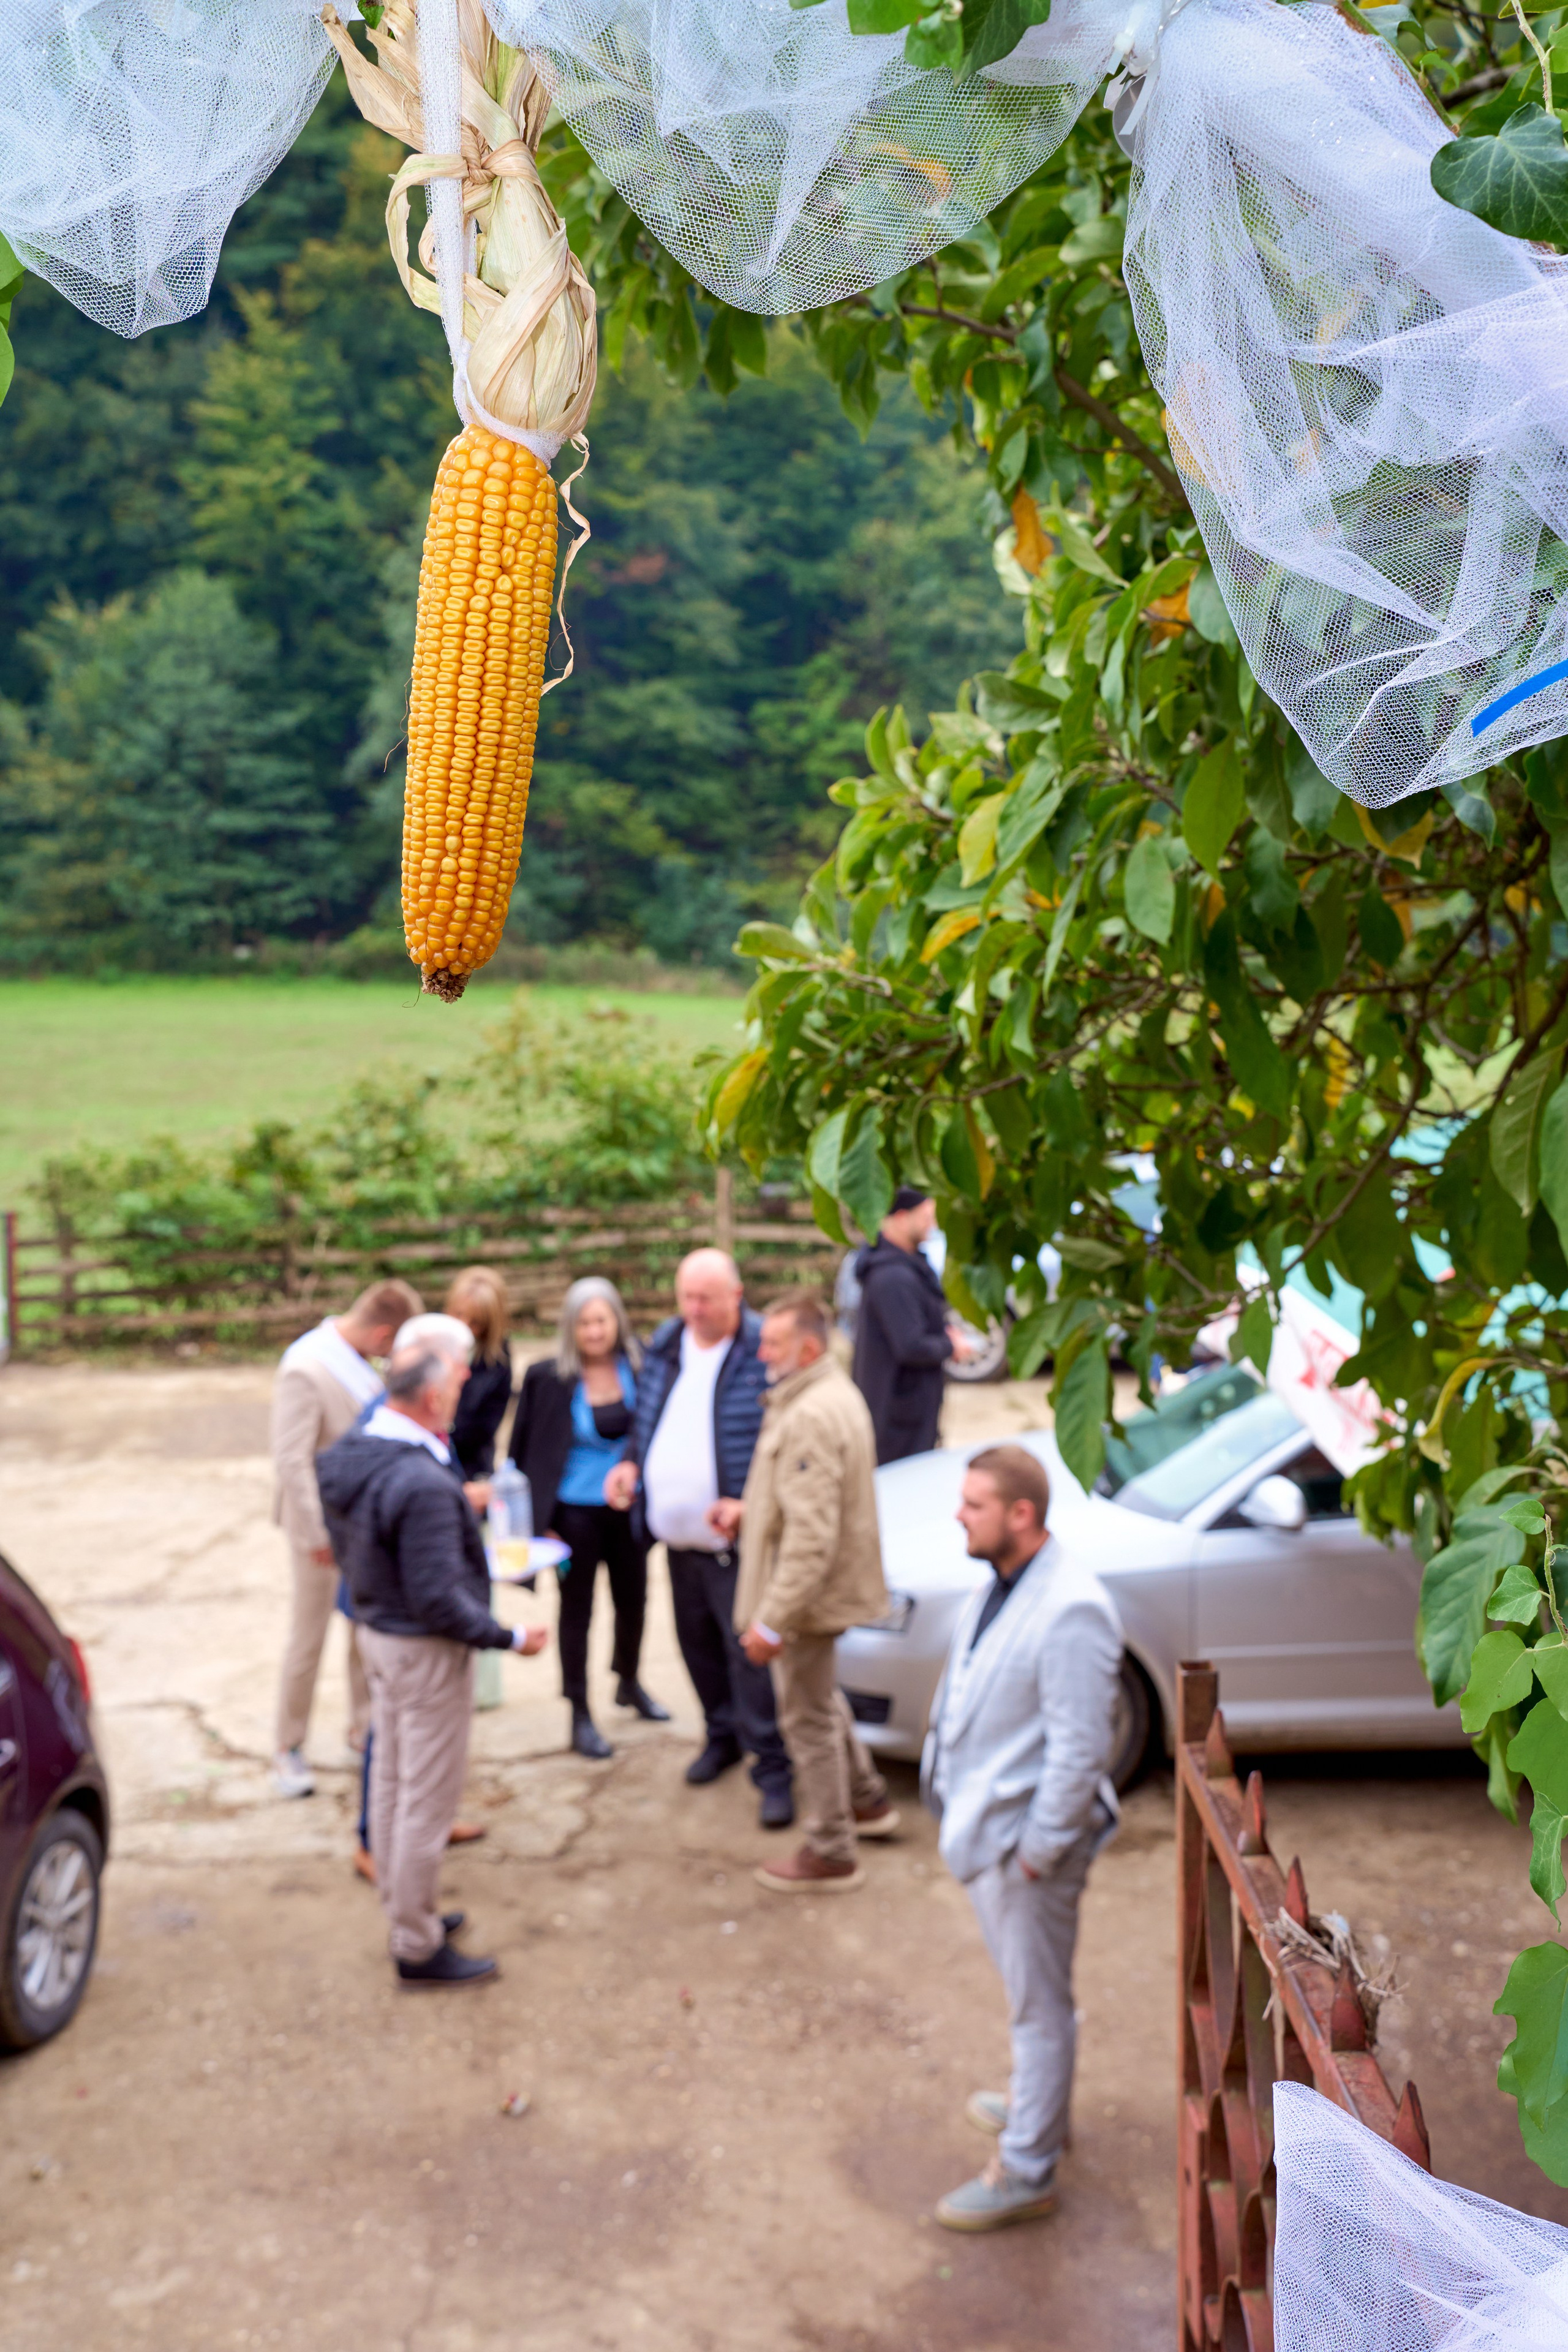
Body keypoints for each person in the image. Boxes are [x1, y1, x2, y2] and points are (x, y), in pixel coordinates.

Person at [923, 1444, 1121, 2233]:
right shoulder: (1005, 1580)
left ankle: (1027, 2169)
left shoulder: (1073, 1608)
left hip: (1026, 1853)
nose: (958, 1515)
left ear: (1021, 1514)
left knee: (1038, 2010)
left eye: (973, 1504)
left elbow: (1080, 1750)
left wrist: (1036, 1852)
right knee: (1030, 1997)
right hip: (990, 1834)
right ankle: (1037, 2104)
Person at [317, 1341, 549, 1988]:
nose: (458, 1399)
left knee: (393, 1781)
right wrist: (510, 1636)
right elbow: (438, 1598)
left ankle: (406, 1912)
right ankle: (417, 1946)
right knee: (426, 1801)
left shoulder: (361, 1450)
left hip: (380, 1634)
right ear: (430, 1398)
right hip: (422, 1651)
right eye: (452, 1389)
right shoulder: (418, 1482)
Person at [714, 1291, 899, 1894]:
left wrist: (772, 1620)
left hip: (808, 1602)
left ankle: (831, 1850)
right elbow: (813, 1503)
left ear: (809, 1348)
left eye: (773, 1343)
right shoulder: (825, 1394)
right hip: (821, 1594)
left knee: (806, 1717)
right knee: (820, 1699)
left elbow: (811, 1538)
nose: (761, 1352)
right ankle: (867, 1800)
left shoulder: (810, 1413)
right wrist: (749, 1512)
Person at [604, 1248, 793, 1829]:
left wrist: (752, 1505)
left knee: (749, 1656)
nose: (694, 1309)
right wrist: (631, 1463)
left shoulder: (763, 1350)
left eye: (705, 1299)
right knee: (697, 1646)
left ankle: (774, 1767)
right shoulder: (667, 1345)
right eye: (686, 1297)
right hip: (678, 1540)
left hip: (736, 1543)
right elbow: (647, 1419)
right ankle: (721, 1736)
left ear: (736, 1295)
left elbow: (784, 1440)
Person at [345, 1310, 490, 1882]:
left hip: (399, 1613)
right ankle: (383, 1858)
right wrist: (507, 1636)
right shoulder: (386, 1428)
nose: (464, 1377)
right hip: (407, 1623)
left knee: (408, 1758)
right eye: (458, 1367)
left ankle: (411, 1843)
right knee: (395, 1755)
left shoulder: (409, 1417)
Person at [269, 1276, 423, 1798]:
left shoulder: (358, 1359)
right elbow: (291, 1459)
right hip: (317, 1531)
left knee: (366, 1631)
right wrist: (317, 1533)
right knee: (308, 1639)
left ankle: (363, 1730)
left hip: (360, 1525)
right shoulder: (305, 1367)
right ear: (382, 1335)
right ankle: (288, 1747)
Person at [509, 1275, 669, 1760]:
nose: (594, 1332)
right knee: (577, 1610)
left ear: (617, 1320)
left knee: (634, 1600)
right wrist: (537, 1524)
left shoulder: (641, 1365)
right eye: (584, 1323)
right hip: (572, 1515)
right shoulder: (546, 1377)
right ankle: (579, 1710)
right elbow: (523, 1453)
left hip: (629, 1510)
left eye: (601, 1321)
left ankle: (629, 1680)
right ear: (569, 1328)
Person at [851, 1187, 973, 1466]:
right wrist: (950, 1346)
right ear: (902, 1219)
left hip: (911, 1409)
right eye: (926, 1217)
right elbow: (910, 1345)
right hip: (897, 1419)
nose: (932, 1225)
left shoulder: (908, 1265)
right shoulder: (892, 1277)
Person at [444, 1268, 515, 1480]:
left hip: (469, 1466)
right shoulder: (430, 1341)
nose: (463, 1325)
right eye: (458, 1314)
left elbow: (485, 1429)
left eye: (475, 1322)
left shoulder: (498, 1361)